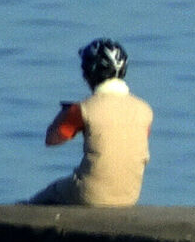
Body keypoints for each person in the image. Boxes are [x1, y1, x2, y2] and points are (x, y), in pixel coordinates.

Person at [26, 38, 154, 207]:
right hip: (129, 197)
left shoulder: (84, 109)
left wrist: (65, 113)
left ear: (89, 73)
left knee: (43, 198)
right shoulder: (145, 110)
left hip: (89, 194)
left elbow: (52, 139)